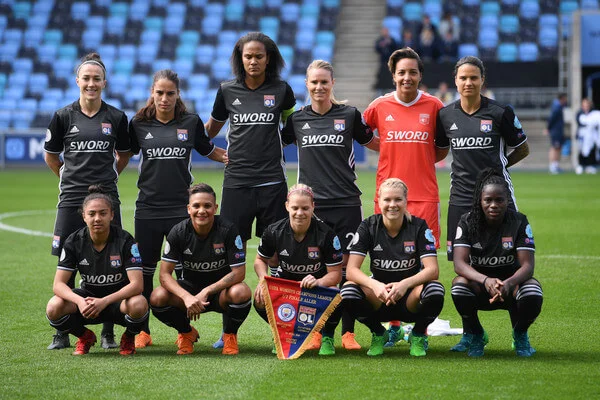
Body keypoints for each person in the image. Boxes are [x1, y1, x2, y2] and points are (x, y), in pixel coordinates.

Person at [204, 32, 295, 348]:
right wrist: (213, 152)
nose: (253, 61)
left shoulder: (282, 90)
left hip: (272, 182)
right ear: (240, 59)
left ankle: (281, 325)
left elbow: (293, 126)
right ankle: (228, 331)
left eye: (259, 56)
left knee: (277, 256)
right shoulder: (226, 91)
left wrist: (275, 145)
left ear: (269, 59)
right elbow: (210, 130)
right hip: (237, 184)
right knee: (232, 256)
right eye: (248, 56)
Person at [281, 60, 379, 351]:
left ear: (332, 83)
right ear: (307, 85)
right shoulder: (297, 120)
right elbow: (273, 146)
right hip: (313, 208)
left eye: (324, 82)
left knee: (348, 271)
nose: (319, 87)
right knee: (320, 270)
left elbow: (375, 143)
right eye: (314, 82)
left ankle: (348, 333)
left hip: (346, 203)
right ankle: (319, 332)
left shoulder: (349, 115)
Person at [128, 69, 226, 349]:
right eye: (159, 93)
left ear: (178, 94)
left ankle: (184, 330)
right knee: (145, 271)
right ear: (152, 93)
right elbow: (123, 155)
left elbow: (209, 150)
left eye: (170, 93)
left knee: (181, 273)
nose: (164, 98)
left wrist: (236, 159)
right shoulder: (138, 123)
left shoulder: (190, 122)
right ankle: (143, 330)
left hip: (180, 210)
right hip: (147, 209)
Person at [44, 52, 132, 350]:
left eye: (97, 79)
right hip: (71, 199)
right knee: (65, 262)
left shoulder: (116, 117)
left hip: (106, 198)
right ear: (77, 81)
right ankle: (64, 331)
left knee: (113, 262)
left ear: (104, 82)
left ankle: (108, 331)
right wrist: (69, 179)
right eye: (86, 78)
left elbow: (124, 155)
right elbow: (51, 156)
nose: (91, 83)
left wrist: (108, 179)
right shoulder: (62, 116)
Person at [363, 47, 446, 346]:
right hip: (387, 197)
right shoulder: (379, 106)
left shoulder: (435, 106)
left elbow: (442, 148)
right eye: (401, 72)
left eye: (412, 72)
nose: (406, 77)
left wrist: (421, 157)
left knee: (426, 264)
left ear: (420, 75)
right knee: (386, 260)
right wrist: (386, 147)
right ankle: (394, 324)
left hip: (424, 196)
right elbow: (363, 134)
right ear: (393, 75)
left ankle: (420, 329)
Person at [435, 56, 529, 262]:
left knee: (507, 256)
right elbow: (439, 150)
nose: (468, 82)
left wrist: (500, 167)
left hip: (497, 195)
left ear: (482, 80)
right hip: (460, 197)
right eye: (463, 78)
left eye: (474, 78)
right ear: (456, 81)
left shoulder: (500, 112)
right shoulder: (444, 116)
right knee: (461, 260)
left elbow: (523, 148)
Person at [342, 178, 445, 357]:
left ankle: (418, 334)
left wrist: (404, 284)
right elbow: (351, 270)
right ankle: (378, 333)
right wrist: (375, 285)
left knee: (435, 290)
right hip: (379, 297)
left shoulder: (419, 226)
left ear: (406, 201)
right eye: (387, 200)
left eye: (398, 199)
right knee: (348, 290)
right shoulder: (368, 226)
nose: (392, 205)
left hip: (410, 298)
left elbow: (432, 270)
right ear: (379, 201)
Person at [45, 186, 149, 356]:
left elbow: (137, 285)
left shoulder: (125, 240)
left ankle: (128, 337)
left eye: (103, 213)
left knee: (139, 303)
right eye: (92, 214)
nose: (97, 219)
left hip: (117, 302)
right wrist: (79, 301)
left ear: (112, 215)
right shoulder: (73, 241)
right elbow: (58, 285)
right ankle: (84, 336)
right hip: (88, 301)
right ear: (84, 216)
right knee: (54, 306)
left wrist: (104, 301)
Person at [450, 168, 543, 357]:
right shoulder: (467, 221)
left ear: (507, 200)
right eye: (488, 200)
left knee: (532, 290)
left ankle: (520, 334)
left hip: (511, 286)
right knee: (459, 286)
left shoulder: (519, 221)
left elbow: (528, 266)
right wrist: (486, 280)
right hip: (480, 286)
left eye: (499, 200)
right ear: (480, 200)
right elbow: (459, 264)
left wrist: (508, 283)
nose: (493, 205)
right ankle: (477, 334)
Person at [149, 183, 251, 355]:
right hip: (189, 290)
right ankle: (186, 332)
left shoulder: (228, 230)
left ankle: (229, 335)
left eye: (207, 206)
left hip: (220, 292)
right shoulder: (178, 232)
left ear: (215, 208)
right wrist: (186, 297)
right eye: (196, 206)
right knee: (157, 297)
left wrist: (207, 291)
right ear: (189, 209)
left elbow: (239, 273)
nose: (201, 211)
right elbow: (164, 275)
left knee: (241, 292)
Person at [253, 184, 343, 355]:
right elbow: (260, 260)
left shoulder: (326, 234)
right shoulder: (274, 231)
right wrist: (263, 278)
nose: (300, 213)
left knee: (336, 293)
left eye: (305, 208)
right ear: (287, 206)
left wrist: (318, 282)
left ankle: (327, 336)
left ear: (313, 207)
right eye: (295, 208)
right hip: (286, 289)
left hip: (314, 290)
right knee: (259, 298)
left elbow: (336, 274)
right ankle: (282, 334)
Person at [575, 97, 600, 175]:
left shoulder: (593, 113)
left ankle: (590, 165)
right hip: (582, 134)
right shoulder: (580, 113)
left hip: (591, 135)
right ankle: (581, 165)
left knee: (591, 149)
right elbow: (581, 122)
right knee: (582, 150)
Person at [545, 93, 568, 174]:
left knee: (558, 147)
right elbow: (551, 119)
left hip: (558, 131)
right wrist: (548, 128)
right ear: (562, 98)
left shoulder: (559, 106)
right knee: (554, 147)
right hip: (556, 131)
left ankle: (556, 165)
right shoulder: (556, 107)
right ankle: (552, 166)